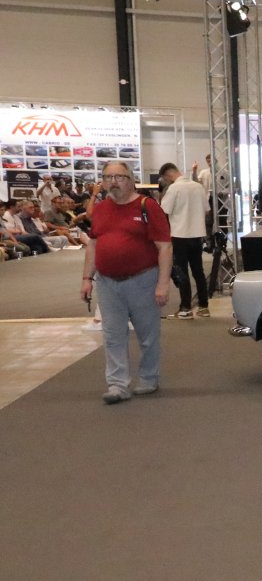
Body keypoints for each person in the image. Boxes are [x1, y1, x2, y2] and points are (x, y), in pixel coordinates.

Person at [81, 161, 171, 403]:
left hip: (143, 280)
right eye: (108, 177)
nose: (113, 182)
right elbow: (93, 244)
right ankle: (117, 385)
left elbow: (164, 247)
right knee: (112, 335)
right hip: (107, 283)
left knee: (148, 335)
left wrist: (163, 284)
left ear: (131, 180)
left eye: (119, 177)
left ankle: (149, 379)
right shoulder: (101, 209)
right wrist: (87, 278)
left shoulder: (147, 206)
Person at [157, 162, 209, 319]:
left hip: (180, 235)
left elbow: (164, 210)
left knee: (181, 271)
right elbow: (207, 210)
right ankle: (204, 307)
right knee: (198, 271)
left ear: (167, 175)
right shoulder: (198, 187)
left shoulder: (174, 189)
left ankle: (185, 308)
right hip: (197, 235)